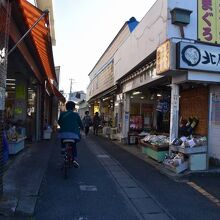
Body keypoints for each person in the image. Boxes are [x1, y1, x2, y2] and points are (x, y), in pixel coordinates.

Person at [58, 101, 83, 168]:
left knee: (62, 138)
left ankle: (63, 148)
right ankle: (74, 159)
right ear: (74, 108)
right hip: (74, 135)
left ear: (66, 107)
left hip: (63, 134)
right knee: (74, 145)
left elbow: (59, 122)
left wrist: (63, 126)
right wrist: (82, 128)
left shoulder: (62, 114)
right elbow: (80, 124)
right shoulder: (76, 115)